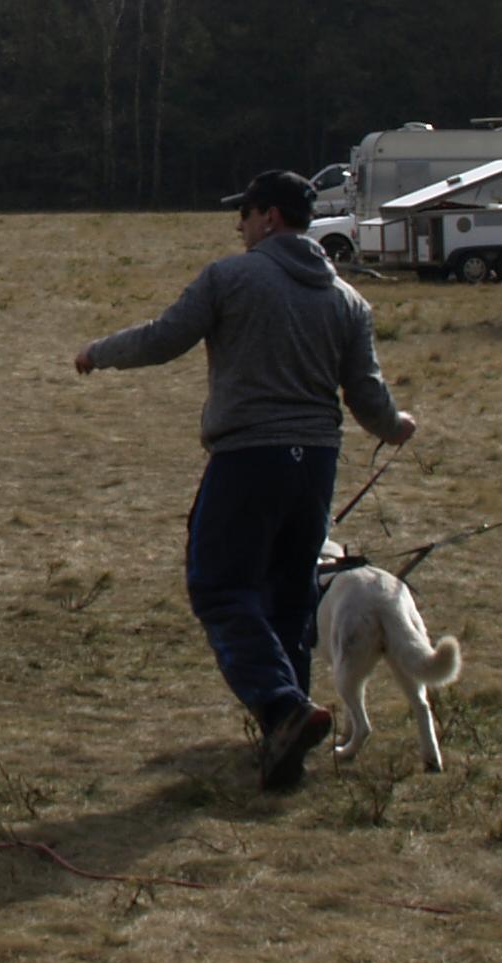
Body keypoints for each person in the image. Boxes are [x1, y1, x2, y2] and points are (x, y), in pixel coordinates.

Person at [74, 169, 419, 788]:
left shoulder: (230, 278)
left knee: (219, 587)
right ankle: (287, 747)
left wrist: (98, 352)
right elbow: (366, 395)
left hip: (248, 460)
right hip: (315, 466)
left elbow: (164, 338)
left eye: (246, 214)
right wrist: (396, 428)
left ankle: (282, 708)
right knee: (289, 598)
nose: (239, 226)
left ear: (270, 218)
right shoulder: (349, 301)